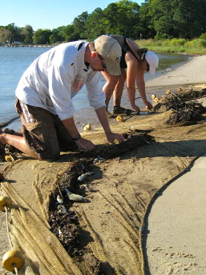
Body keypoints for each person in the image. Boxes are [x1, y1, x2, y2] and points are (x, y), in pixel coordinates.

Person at [0, 35, 124, 161]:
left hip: (53, 103)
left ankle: (26, 137)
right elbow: (63, 106)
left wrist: (108, 132)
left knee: (70, 145)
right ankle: (5, 137)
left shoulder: (93, 64)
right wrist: (78, 138)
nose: (104, 70)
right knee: (48, 152)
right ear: (94, 55)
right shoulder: (64, 63)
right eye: (105, 66)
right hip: (33, 99)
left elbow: (97, 98)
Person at [101, 34, 159, 115]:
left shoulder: (140, 58)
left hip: (112, 54)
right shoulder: (133, 60)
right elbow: (130, 86)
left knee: (121, 77)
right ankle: (102, 109)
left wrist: (145, 101)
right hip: (102, 48)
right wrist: (133, 105)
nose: (146, 71)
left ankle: (116, 108)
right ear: (145, 61)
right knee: (113, 79)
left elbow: (140, 82)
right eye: (148, 68)